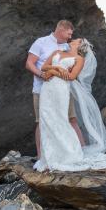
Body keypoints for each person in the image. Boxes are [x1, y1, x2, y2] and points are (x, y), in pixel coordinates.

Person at [33, 37, 106, 172]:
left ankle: (67, 153)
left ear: (80, 44)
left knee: (60, 119)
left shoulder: (79, 59)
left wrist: (54, 72)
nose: (72, 40)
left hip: (61, 89)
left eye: (76, 40)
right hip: (47, 89)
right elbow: (44, 68)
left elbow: (72, 77)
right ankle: (47, 156)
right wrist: (53, 70)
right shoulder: (58, 52)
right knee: (46, 119)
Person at [25, 20, 85, 159]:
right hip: (41, 89)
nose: (70, 37)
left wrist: (57, 71)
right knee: (41, 121)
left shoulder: (67, 47)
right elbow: (29, 63)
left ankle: (81, 151)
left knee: (71, 119)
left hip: (63, 90)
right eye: (69, 33)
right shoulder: (41, 42)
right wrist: (42, 74)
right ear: (61, 29)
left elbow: (70, 71)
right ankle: (42, 156)